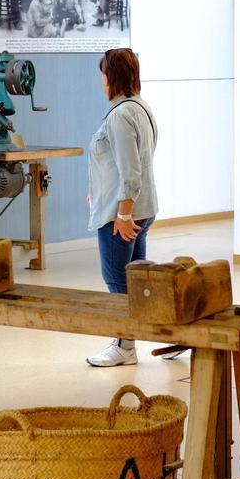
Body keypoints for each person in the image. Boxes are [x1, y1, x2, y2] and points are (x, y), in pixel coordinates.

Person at [86, 48, 158, 367]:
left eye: (103, 75)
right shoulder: (141, 108)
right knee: (137, 279)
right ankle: (132, 339)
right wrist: (100, 192)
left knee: (117, 280)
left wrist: (123, 213)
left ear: (112, 77)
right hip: (141, 207)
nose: (101, 81)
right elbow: (127, 162)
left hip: (124, 213)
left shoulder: (119, 115)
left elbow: (131, 170)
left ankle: (124, 345)